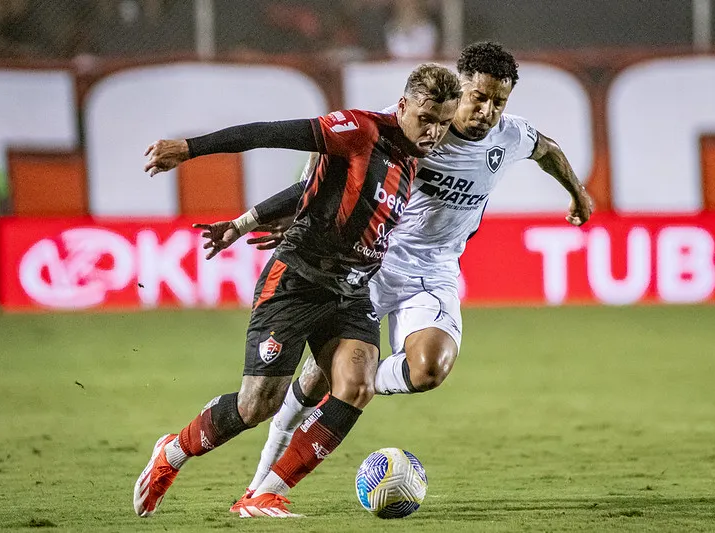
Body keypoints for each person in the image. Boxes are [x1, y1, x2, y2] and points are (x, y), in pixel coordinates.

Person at [195, 41, 594, 511]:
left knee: (428, 370)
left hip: (435, 270)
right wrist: (283, 213)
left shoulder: (511, 136)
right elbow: (328, 175)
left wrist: (578, 193)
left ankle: (347, 381)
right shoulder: (410, 127)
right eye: (478, 97)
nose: (486, 111)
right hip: (371, 263)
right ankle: (261, 488)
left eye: (498, 102)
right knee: (316, 383)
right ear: (459, 87)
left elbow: (548, 150)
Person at [133, 63, 462, 519]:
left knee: (357, 384)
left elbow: (308, 189)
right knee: (256, 405)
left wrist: (246, 222)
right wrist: (188, 149)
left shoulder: (411, 158)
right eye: (427, 118)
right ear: (403, 105)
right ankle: (173, 451)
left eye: (444, 123)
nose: (434, 131)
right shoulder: (360, 131)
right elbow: (267, 132)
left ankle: (263, 494)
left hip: (351, 290)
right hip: (298, 280)